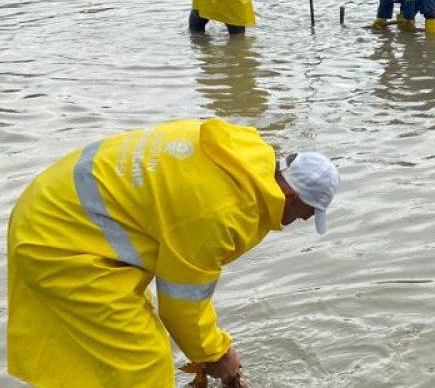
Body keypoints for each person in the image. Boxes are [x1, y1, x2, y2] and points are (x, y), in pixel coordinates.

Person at [6, 118, 340, 388]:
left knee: (117, 347)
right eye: (304, 216)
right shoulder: (224, 213)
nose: (295, 222)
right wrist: (218, 355)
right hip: (61, 242)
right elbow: (181, 305)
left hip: (57, 206)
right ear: (294, 197)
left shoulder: (238, 155)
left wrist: (210, 349)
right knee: (144, 362)